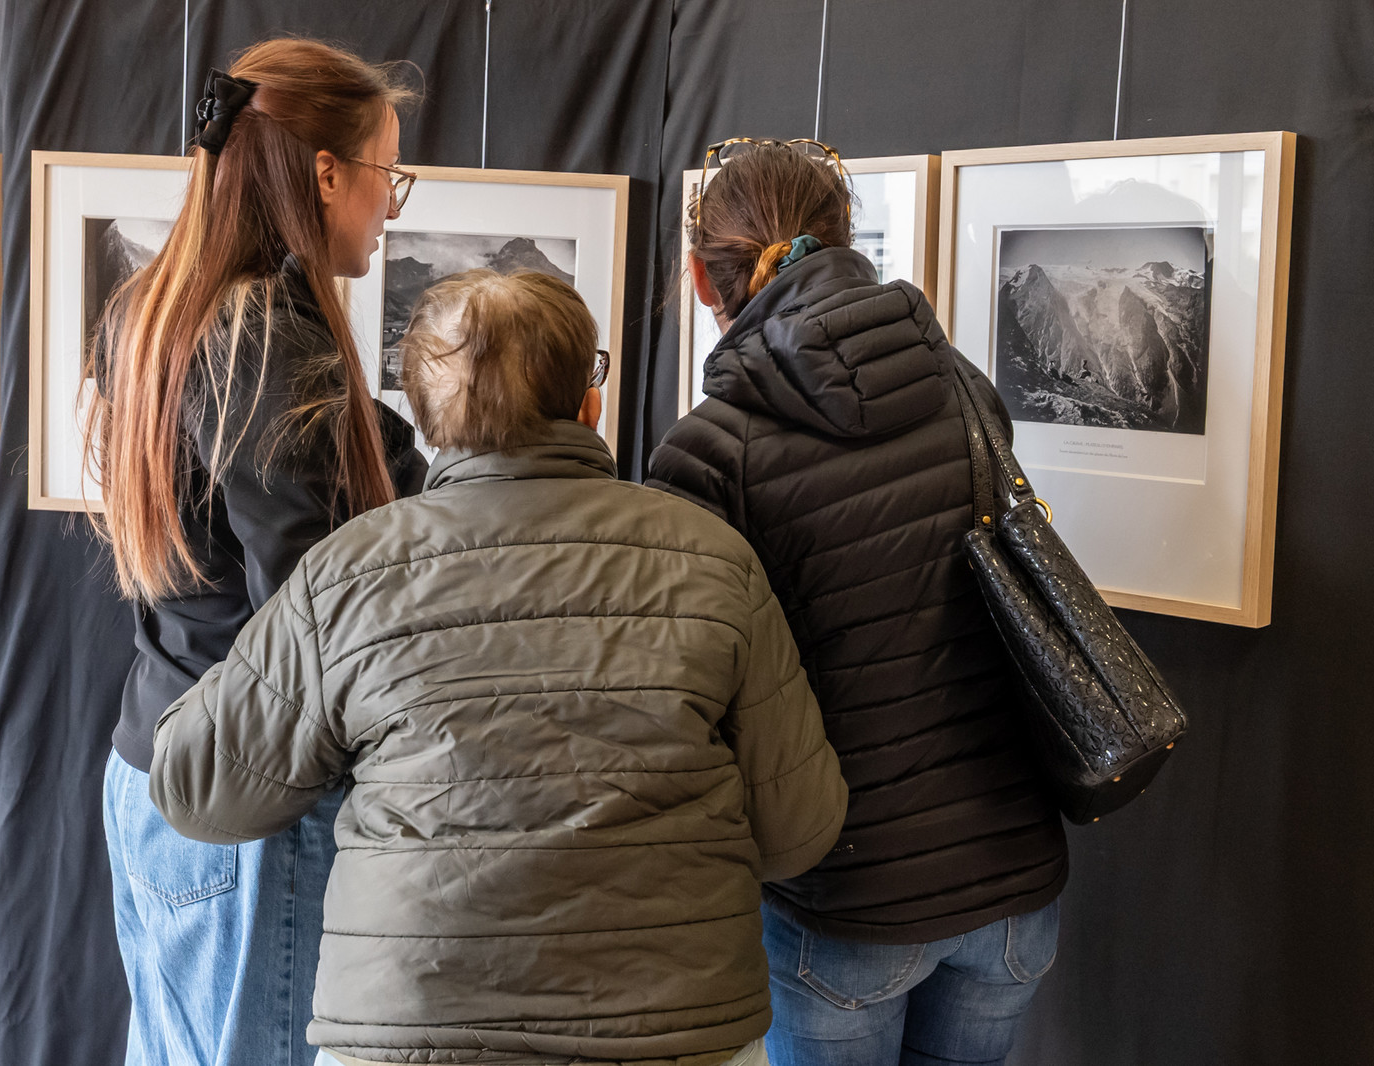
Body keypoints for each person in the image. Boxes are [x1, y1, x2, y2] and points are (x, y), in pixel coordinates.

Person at [148, 269, 851, 1066]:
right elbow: (799, 829)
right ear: (588, 402)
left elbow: (198, 789)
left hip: (414, 1032)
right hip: (678, 1033)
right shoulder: (714, 561)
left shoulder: (347, 576)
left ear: (423, 420)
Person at [648, 139, 1070, 1066]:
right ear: (846, 243)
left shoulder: (708, 450)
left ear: (702, 276)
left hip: (845, 900)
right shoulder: (962, 386)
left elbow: (689, 703)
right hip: (1013, 882)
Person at [86, 39, 428, 1066]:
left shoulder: (159, 308)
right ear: (325, 172)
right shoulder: (262, 332)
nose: (389, 205)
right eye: (386, 174)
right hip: (245, 802)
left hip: (161, 761)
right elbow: (307, 608)